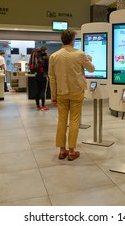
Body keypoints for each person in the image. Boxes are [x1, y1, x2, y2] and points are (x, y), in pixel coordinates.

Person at [49, 30, 95, 161]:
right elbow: (91, 69)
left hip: (61, 92)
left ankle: (62, 150)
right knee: (74, 120)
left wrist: (53, 95)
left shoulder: (54, 56)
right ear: (72, 40)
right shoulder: (80, 54)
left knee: (61, 120)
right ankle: (72, 151)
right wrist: (89, 59)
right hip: (76, 91)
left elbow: (52, 77)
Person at [34, 46, 49, 111]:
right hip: (43, 76)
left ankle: (38, 105)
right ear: (45, 50)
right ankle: (43, 105)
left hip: (37, 76)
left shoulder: (36, 57)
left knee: (37, 91)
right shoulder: (45, 58)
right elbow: (47, 67)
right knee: (43, 91)